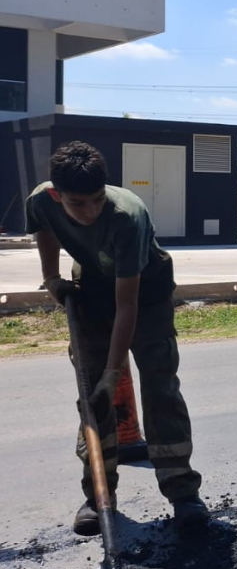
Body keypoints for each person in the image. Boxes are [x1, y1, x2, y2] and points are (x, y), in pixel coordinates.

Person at [26, 141, 209, 535]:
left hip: (147, 292)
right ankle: (98, 496)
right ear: (58, 195)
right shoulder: (42, 201)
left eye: (95, 200)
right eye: (77, 203)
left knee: (160, 388)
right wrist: (52, 278)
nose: (89, 211)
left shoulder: (127, 217)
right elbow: (44, 229)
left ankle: (183, 493)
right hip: (92, 285)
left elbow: (128, 306)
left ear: (105, 190)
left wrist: (115, 372)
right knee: (94, 397)